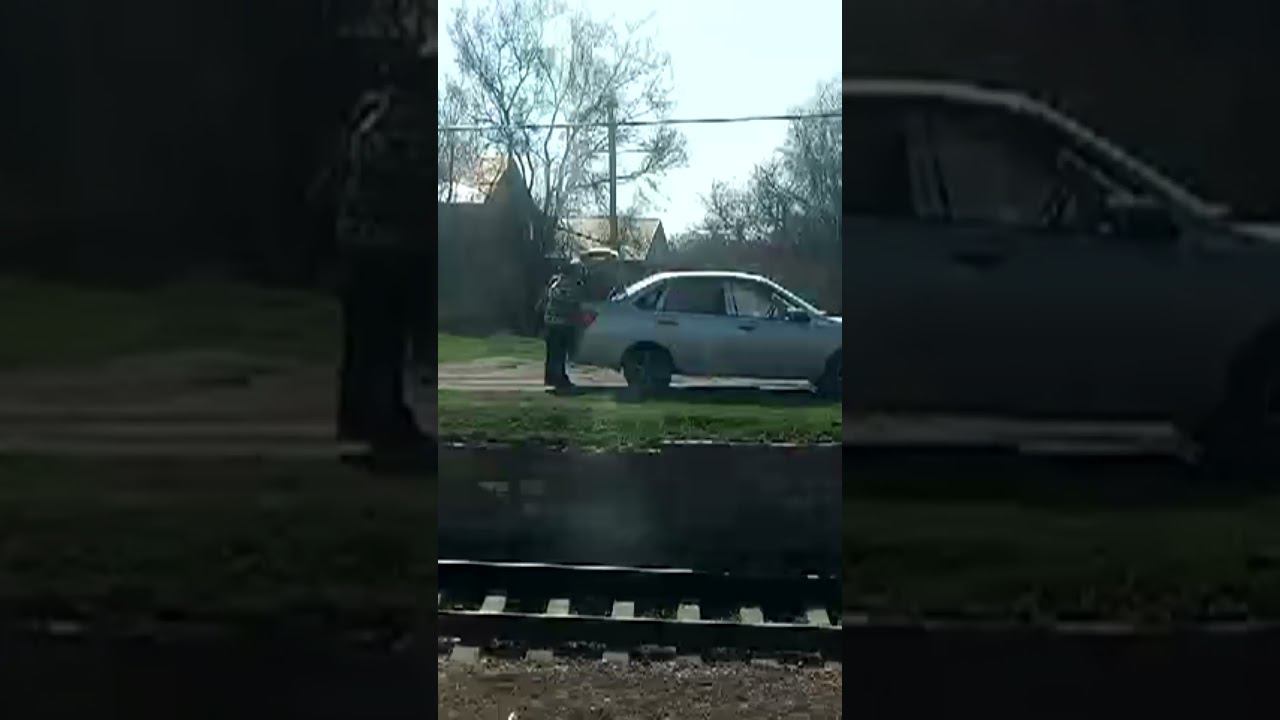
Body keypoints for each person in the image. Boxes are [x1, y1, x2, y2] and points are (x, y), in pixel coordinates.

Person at [334, 55, 434, 466]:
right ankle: (379, 426)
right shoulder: (401, 125)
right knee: (381, 343)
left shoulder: (372, 118)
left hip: (366, 248)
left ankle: (371, 421)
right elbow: (411, 183)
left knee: (371, 343)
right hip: (387, 250)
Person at [540, 259, 587, 390]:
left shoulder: (557, 282)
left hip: (551, 322)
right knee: (559, 353)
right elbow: (574, 303)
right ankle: (558, 378)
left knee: (553, 353)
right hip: (561, 323)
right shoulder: (571, 285)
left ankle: (551, 377)